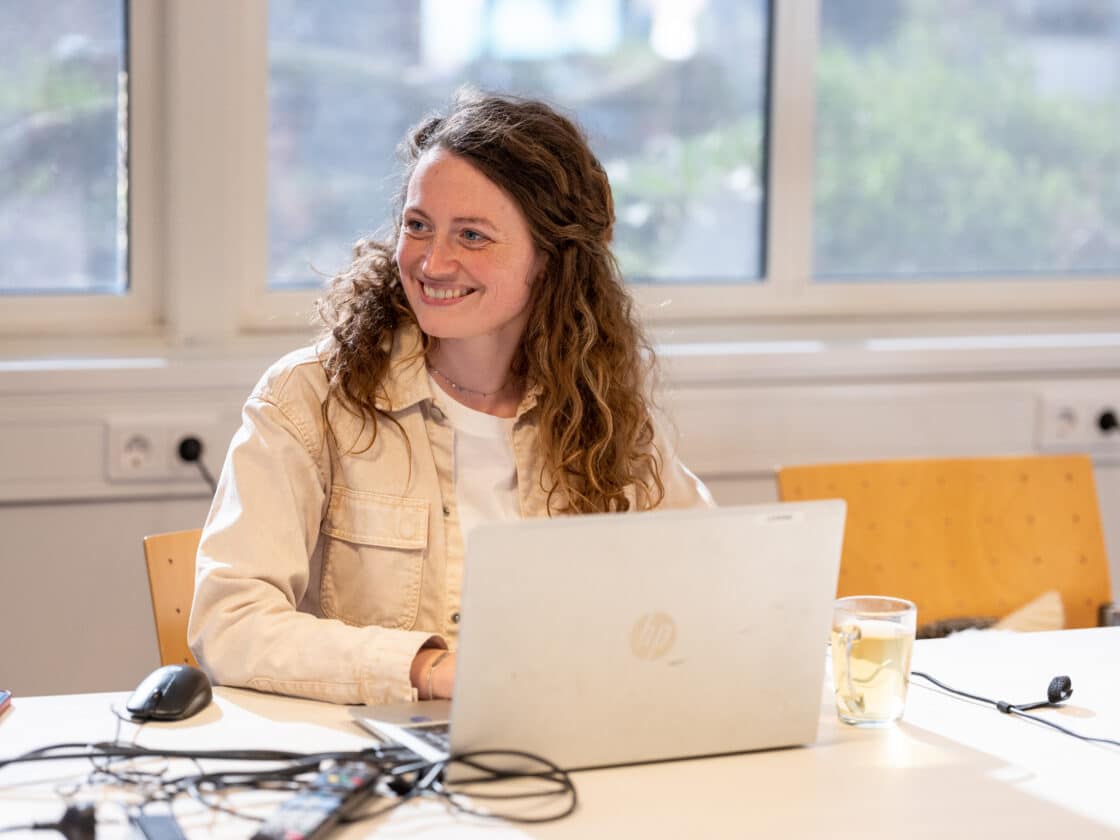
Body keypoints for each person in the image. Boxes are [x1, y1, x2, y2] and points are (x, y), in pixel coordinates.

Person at [188, 90, 713, 706]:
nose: (433, 262)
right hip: (382, 765)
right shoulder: (308, 398)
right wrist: (426, 670)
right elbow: (230, 623)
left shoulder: (598, 404)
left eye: (472, 235)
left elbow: (705, 578)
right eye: (418, 226)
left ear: (549, 259)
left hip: (569, 739)